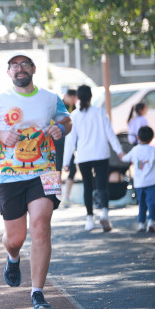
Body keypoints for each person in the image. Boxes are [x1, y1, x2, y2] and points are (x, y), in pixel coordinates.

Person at [0, 51, 72, 309]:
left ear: (33, 69)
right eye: (14, 65)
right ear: (9, 73)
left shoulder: (50, 98)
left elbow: (66, 120)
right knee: (16, 238)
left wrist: (61, 128)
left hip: (44, 171)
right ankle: (12, 257)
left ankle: (38, 292)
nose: (19, 68)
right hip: (8, 175)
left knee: (41, 226)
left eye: (24, 64)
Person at [63, 85, 123, 232]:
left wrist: (65, 161)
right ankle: (104, 213)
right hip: (101, 154)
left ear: (78, 98)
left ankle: (89, 219)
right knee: (102, 186)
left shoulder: (75, 115)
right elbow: (110, 134)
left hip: (83, 156)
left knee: (88, 187)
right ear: (91, 97)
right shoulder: (100, 112)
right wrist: (120, 151)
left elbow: (70, 140)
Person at [120, 126, 155, 232]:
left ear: (138, 137)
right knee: (152, 203)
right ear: (151, 139)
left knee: (142, 204)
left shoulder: (135, 150)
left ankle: (141, 223)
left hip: (139, 183)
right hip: (152, 183)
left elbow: (125, 158)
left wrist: (121, 155)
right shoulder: (153, 150)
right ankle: (151, 222)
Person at [59, 89, 78, 204]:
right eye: (73, 98)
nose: (74, 101)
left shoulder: (74, 107)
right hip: (57, 142)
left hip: (68, 141)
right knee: (56, 170)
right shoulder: (58, 105)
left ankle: (66, 196)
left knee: (73, 168)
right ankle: (57, 196)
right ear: (68, 96)